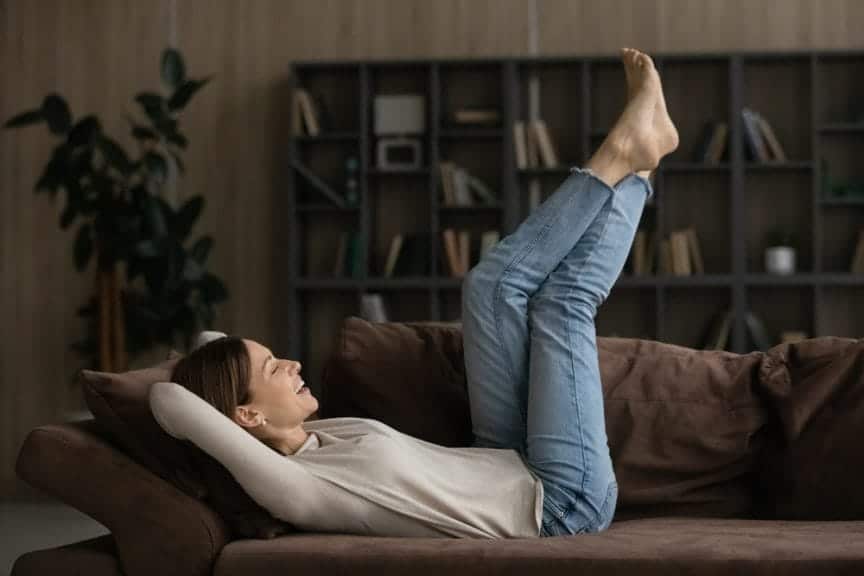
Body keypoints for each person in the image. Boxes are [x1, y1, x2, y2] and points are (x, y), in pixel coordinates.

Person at [158, 47, 679, 539]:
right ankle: (626, 159)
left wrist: (222, 363)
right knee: (561, 304)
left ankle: (638, 160)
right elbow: (171, 400)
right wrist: (214, 384)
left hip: (503, 456)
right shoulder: (300, 488)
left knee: (489, 288)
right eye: (273, 368)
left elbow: (212, 353)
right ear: (246, 418)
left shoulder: (316, 436)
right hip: (559, 502)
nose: (292, 364)